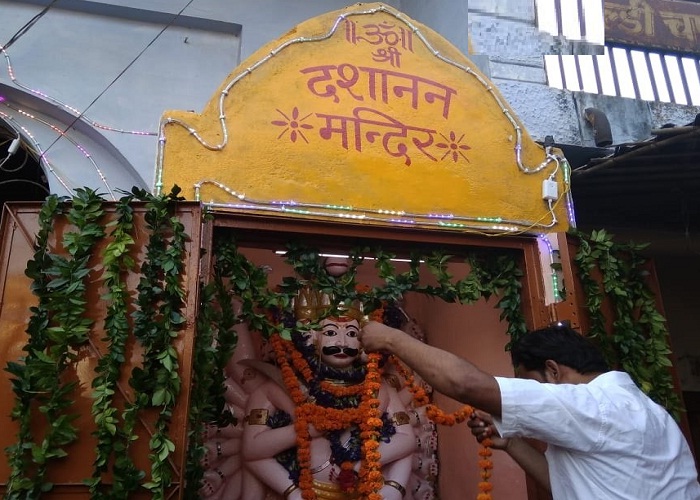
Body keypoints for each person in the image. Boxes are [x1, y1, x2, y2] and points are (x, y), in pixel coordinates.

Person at [359, 321, 700, 500]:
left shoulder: (591, 404)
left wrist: (391, 339)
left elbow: (466, 384)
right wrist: (512, 444)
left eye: (530, 384)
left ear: (552, 371)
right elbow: (569, 487)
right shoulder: (647, 411)